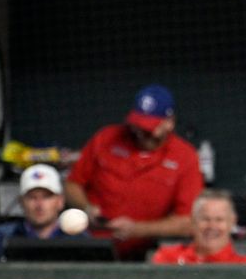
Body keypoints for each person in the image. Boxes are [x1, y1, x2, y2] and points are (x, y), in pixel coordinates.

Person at [65, 84, 204, 261]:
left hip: (144, 255)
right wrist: (86, 208)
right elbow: (71, 184)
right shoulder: (106, 138)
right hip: (92, 247)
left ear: (169, 123)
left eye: (148, 128)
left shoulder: (185, 156)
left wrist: (137, 230)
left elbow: (187, 222)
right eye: (137, 124)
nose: (139, 133)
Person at [0, 164, 85, 261]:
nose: (39, 205)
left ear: (60, 201)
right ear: (21, 202)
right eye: (32, 197)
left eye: (46, 197)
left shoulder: (80, 240)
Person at [151, 189, 246, 264]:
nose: (212, 226)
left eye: (219, 220)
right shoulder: (167, 258)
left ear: (232, 222)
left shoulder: (243, 265)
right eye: (205, 219)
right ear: (193, 221)